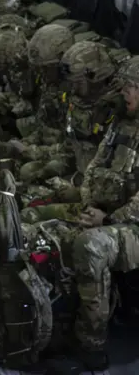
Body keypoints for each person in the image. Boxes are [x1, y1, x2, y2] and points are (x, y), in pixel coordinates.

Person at [47, 56, 139, 374]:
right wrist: (90, 204)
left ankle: (91, 345)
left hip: (130, 222)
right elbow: (94, 168)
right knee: (43, 222)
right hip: (108, 213)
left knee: (91, 245)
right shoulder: (121, 123)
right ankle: (55, 321)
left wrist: (108, 220)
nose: (126, 92)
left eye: (133, 87)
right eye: (125, 85)